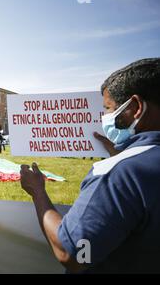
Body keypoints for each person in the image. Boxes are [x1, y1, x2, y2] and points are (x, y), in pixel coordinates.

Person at [19, 58, 160, 273]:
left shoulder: (117, 174)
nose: (104, 116)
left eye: (108, 108)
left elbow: (74, 253)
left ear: (136, 107)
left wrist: (38, 191)